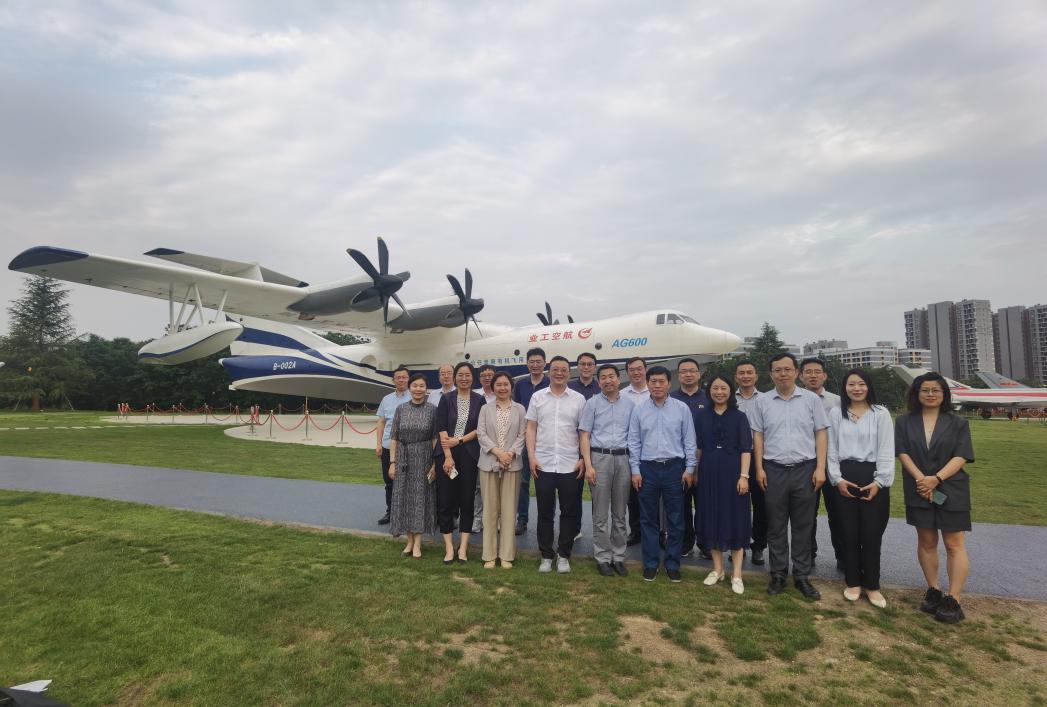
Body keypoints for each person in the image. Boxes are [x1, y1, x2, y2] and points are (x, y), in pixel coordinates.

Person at [895, 372, 975, 624]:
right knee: (927, 541)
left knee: (954, 544)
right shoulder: (904, 422)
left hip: (951, 488)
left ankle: (954, 598)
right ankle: (933, 589)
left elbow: (961, 455)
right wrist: (922, 480)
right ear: (916, 394)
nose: (930, 394)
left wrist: (936, 479)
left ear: (944, 394)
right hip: (918, 487)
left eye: (936, 390)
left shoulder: (958, 423)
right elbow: (902, 453)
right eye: (925, 390)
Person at [750, 352, 829, 600]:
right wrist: (759, 468)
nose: (782, 374)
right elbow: (758, 436)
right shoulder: (762, 401)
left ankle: (802, 576)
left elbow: (821, 433)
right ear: (771, 374)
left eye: (787, 369)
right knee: (776, 525)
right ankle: (778, 574)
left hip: (805, 469)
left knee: (803, 525)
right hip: (773, 469)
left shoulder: (811, 400)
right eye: (777, 370)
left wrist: (820, 468)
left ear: (796, 372)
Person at [827, 369, 894, 608]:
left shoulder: (880, 414)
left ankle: (872, 585)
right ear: (844, 388)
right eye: (851, 384)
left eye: (861, 384)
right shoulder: (836, 413)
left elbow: (886, 450)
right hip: (845, 476)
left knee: (871, 533)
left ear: (868, 387)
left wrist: (880, 482)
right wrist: (837, 479)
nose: (856, 388)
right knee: (848, 532)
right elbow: (831, 449)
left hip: (873, 476)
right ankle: (853, 582)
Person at [628, 365, 696, 582]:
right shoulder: (639, 410)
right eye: (653, 382)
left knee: (676, 518)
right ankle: (650, 563)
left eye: (661, 381)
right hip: (647, 469)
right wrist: (635, 470)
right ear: (648, 384)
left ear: (669, 383)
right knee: (648, 519)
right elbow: (634, 442)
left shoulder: (681, 408)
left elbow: (689, 441)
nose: (657, 385)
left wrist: (690, 469)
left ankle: (673, 564)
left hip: (674, 468)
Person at [526, 356, 586, 573]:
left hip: (570, 464)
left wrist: (583, 457)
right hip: (543, 463)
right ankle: (546, 555)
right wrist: (531, 457)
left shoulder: (579, 399)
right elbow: (531, 428)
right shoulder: (537, 397)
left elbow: (583, 432)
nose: (559, 373)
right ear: (549, 372)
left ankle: (564, 555)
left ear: (569, 373)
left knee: (569, 511)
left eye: (563, 370)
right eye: (555, 369)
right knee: (544, 512)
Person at [695, 374, 753, 594]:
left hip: (733, 473)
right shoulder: (702, 416)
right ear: (709, 391)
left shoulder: (739, 417)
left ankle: (737, 573)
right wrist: (695, 472)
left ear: (730, 391)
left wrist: (744, 476)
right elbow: (698, 447)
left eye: (723, 388)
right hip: (708, 472)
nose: (719, 392)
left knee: (735, 518)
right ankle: (717, 569)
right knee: (711, 517)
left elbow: (746, 449)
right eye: (715, 388)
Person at [579, 363, 633, 577]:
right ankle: (602, 557)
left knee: (620, 513)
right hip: (599, 458)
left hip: (623, 459)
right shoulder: (591, 403)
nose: (608, 380)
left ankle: (618, 557)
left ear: (619, 379)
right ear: (598, 381)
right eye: (603, 377)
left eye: (612, 376)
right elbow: (584, 435)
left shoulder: (630, 404)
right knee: (600, 513)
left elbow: (634, 436)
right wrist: (588, 465)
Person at [434, 362, 486, 564]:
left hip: (469, 454)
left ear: (473, 378)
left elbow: (480, 429)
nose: (464, 378)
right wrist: (448, 456)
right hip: (446, 454)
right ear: (455, 377)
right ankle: (448, 547)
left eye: (468, 375)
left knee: (467, 501)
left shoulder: (479, 400)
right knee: (445, 501)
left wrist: (460, 440)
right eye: (460, 375)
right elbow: (441, 427)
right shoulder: (446, 399)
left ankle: (463, 547)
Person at [476, 371, 526, 569]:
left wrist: (509, 455)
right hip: (488, 464)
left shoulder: (520, 409)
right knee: (490, 511)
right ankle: (489, 555)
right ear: (493, 387)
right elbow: (481, 434)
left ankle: (506, 555)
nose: (502, 388)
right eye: (499, 385)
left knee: (508, 510)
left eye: (506, 384)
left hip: (512, 465)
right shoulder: (485, 408)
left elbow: (522, 435)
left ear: (511, 387)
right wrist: (498, 453)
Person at [388, 373, 438, 557]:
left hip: (424, 458)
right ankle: (409, 541)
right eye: (415, 385)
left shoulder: (432, 410)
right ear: (409, 388)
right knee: (404, 498)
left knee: (420, 499)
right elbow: (394, 437)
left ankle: (418, 543)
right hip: (403, 458)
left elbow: (435, 438)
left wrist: (435, 464)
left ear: (426, 389)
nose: (418, 389)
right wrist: (392, 462)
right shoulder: (401, 409)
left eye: (422, 386)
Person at [801, 357, 844, 570]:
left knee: (838, 513)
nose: (813, 376)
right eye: (808, 372)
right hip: (806, 464)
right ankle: (807, 555)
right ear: (801, 376)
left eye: (817, 372)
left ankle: (843, 556)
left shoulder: (838, 401)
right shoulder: (796, 400)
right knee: (807, 514)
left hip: (834, 464)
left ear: (824, 375)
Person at [671, 358, 710, 560]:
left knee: (705, 504)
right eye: (684, 371)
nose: (688, 374)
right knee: (681, 505)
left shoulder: (709, 398)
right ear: (678, 375)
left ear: (698, 374)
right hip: (678, 462)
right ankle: (685, 543)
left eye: (692, 371)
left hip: (706, 461)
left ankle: (706, 543)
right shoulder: (670, 399)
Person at [514, 348, 549, 536]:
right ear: (527, 363)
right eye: (532, 362)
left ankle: (546, 520)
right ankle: (522, 519)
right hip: (523, 438)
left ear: (545, 363)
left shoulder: (550, 383)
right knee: (523, 482)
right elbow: (516, 410)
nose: (535, 365)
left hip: (545, 439)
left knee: (546, 484)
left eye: (538, 361)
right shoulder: (520, 385)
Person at [735, 360, 766, 565]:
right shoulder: (728, 398)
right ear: (736, 377)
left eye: (749, 372)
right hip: (735, 458)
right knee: (738, 503)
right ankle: (739, 544)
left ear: (756, 376)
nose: (745, 376)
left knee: (761, 505)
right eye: (741, 373)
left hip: (760, 458)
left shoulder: (766, 399)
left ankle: (759, 546)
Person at [568, 352, 600, 541]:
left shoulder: (601, 386)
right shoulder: (570, 387)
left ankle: (599, 531)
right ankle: (575, 529)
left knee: (599, 494)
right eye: (582, 364)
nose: (586, 367)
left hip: (598, 449)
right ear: (578, 366)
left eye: (590, 364)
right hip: (575, 449)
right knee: (574, 492)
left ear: (595, 367)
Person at [374, 366, 411, 525]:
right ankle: (391, 512)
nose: (401, 380)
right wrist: (378, 444)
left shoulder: (416, 396)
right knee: (389, 481)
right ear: (393, 380)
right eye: (398, 377)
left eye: (404, 377)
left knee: (409, 481)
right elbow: (381, 422)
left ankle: (407, 513)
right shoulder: (386, 399)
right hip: (388, 447)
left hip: (409, 447)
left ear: (408, 379)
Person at [622, 356, 650, 546]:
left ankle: (656, 532)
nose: (636, 372)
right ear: (627, 373)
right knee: (633, 496)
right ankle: (636, 531)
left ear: (645, 369)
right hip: (630, 452)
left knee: (653, 495)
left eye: (639, 369)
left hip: (652, 451)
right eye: (632, 370)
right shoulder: (622, 395)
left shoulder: (656, 391)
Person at [471, 363, 498, 534]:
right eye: (483, 375)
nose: (487, 378)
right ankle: (478, 518)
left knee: (499, 487)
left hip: (500, 449)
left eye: (490, 375)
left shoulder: (502, 393)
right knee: (479, 488)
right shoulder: (474, 396)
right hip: (478, 448)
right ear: (479, 378)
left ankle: (497, 519)